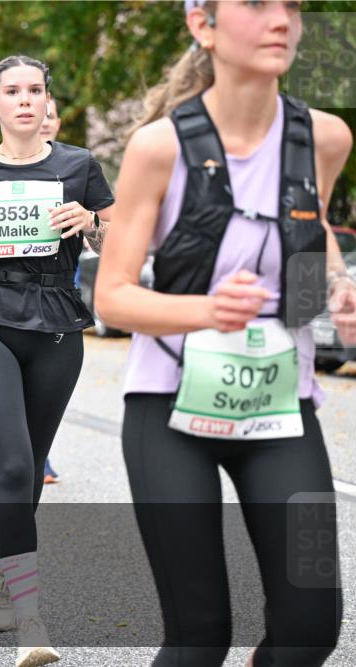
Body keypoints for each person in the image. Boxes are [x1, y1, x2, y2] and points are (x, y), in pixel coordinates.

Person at [95, 3, 351, 666]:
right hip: (168, 409)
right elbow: (113, 294)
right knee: (199, 635)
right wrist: (207, 310)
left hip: (281, 406)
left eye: (292, 6)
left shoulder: (324, 137)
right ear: (202, 26)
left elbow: (306, 235)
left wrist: (337, 292)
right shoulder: (160, 146)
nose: (283, 20)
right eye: (257, 4)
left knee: (310, 628)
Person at [0, 54, 114, 665]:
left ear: (45, 101)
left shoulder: (78, 165)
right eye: (12, 91)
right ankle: (30, 620)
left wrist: (90, 222)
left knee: (32, 471)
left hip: (56, 326)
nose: (25, 100)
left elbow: (120, 235)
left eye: (35, 90)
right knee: (11, 467)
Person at [39, 97, 64, 486]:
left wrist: (90, 220)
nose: (43, 120)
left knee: (43, 393)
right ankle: (25, 459)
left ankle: (38, 451)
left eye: (51, 115)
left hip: (60, 298)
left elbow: (110, 239)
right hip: (2, 299)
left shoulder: (76, 166)